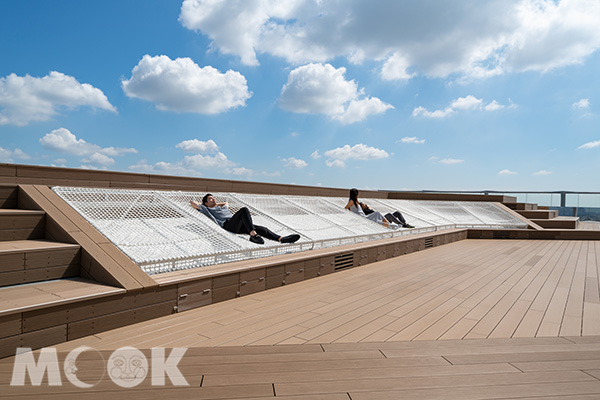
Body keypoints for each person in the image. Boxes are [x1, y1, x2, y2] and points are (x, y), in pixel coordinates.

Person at [191, 194, 300, 245]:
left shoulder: (221, 207)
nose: (213, 199)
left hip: (238, 224)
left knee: (263, 229)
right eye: (210, 198)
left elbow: (226, 203)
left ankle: (281, 239)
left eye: (213, 197)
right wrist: (206, 205)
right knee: (244, 210)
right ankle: (253, 235)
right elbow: (192, 203)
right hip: (228, 225)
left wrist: (215, 203)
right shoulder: (206, 209)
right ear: (205, 203)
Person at [345, 188, 415, 228]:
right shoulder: (351, 201)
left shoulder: (356, 203)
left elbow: (354, 209)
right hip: (367, 217)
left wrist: (366, 207)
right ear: (355, 194)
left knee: (397, 213)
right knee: (380, 214)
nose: (365, 205)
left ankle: (401, 224)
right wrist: (352, 212)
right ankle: (401, 225)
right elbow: (345, 208)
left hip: (372, 217)